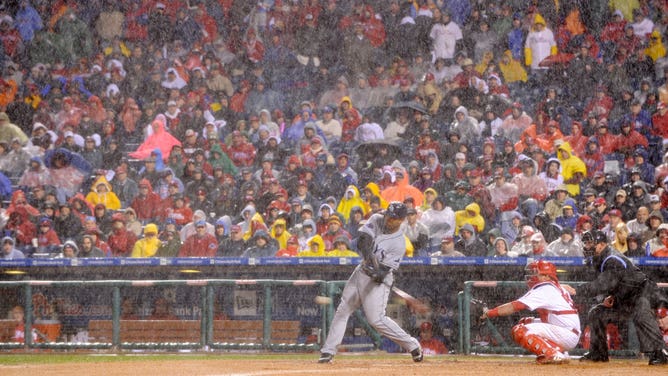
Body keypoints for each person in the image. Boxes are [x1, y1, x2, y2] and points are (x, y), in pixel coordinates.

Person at [318, 202, 423, 363]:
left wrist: (377, 273)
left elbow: (383, 272)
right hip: (362, 271)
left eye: (393, 218)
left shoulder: (399, 243)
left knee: (376, 320)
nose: (389, 219)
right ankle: (328, 351)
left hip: (380, 280)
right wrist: (369, 259)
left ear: (401, 220)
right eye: (388, 215)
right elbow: (363, 241)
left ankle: (412, 345)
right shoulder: (377, 218)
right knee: (343, 310)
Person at [569, 230, 668, 365]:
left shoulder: (612, 259)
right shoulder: (600, 258)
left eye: (590, 243)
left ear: (601, 244)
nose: (587, 246)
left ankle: (660, 352)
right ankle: (598, 353)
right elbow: (617, 282)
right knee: (597, 313)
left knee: (641, 314)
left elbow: (602, 284)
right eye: (585, 243)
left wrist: (576, 290)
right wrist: (612, 295)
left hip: (641, 294)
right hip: (624, 298)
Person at [481, 260, 580, 364]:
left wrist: (489, 312)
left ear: (546, 276)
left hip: (565, 333)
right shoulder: (555, 287)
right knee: (526, 322)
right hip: (567, 331)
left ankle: (553, 355)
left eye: (535, 273)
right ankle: (559, 352)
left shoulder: (545, 288)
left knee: (519, 330)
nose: (532, 276)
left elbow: (515, 306)